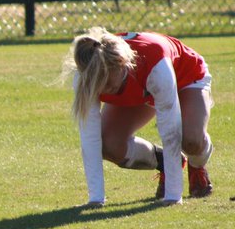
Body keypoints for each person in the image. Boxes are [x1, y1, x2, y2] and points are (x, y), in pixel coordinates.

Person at [62, 28, 214, 206]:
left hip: (185, 78)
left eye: (108, 82)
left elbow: (170, 130)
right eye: (99, 85)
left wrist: (173, 196)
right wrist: (96, 199)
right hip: (142, 86)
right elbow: (90, 137)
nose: (104, 89)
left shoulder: (156, 66)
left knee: (190, 140)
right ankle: (164, 161)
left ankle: (197, 165)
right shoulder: (86, 75)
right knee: (108, 144)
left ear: (121, 63)